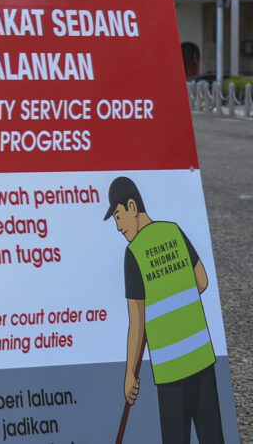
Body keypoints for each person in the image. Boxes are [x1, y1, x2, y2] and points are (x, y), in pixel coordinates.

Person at [103, 176, 224, 443]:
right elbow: (201, 281)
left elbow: (138, 323)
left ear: (132, 206)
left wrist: (130, 375)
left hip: (171, 374)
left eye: (119, 217)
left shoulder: (134, 253)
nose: (119, 227)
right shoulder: (174, 231)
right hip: (203, 361)